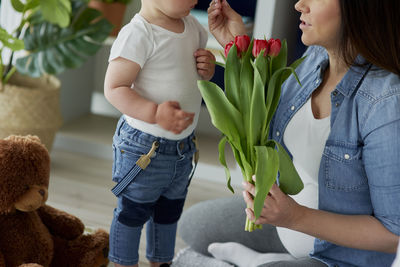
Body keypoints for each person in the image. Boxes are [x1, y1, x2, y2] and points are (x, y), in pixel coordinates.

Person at [179, 0, 400, 266]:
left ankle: (257, 262)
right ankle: (267, 260)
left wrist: (294, 217)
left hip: (337, 255)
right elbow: (261, 120)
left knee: (190, 259)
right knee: (193, 225)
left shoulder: (386, 102)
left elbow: (393, 235)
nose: (299, 5)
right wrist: (237, 47)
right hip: (288, 224)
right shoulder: (315, 59)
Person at [103, 0, 216, 266]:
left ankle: (161, 260)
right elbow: (115, 88)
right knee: (133, 212)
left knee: (169, 211)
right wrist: (154, 113)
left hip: (181, 147)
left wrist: (207, 68)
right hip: (143, 148)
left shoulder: (194, 28)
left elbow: (192, 77)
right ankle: (124, 261)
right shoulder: (139, 33)